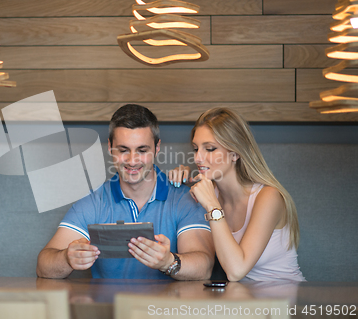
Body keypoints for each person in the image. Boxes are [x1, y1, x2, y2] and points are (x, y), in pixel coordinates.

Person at [36, 104, 214, 280]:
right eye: (123, 150)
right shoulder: (94, 202)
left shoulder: (184, 199)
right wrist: (67, 258)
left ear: (157, 148)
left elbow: (204, 266)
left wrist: (168, 262)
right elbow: (44, 265)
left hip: (164, 308)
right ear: (110, 147)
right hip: (108, 308)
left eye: (142, 150)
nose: (132, 160)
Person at [168, 107, 305, 282]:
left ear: (235, 154)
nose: (198, 158)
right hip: (242, 302)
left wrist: (212, 205)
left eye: (210, 149)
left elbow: (236, 271)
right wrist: (181, 183)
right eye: (196, 149)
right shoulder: (208, 193)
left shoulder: (269, 197)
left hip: (284, 301)